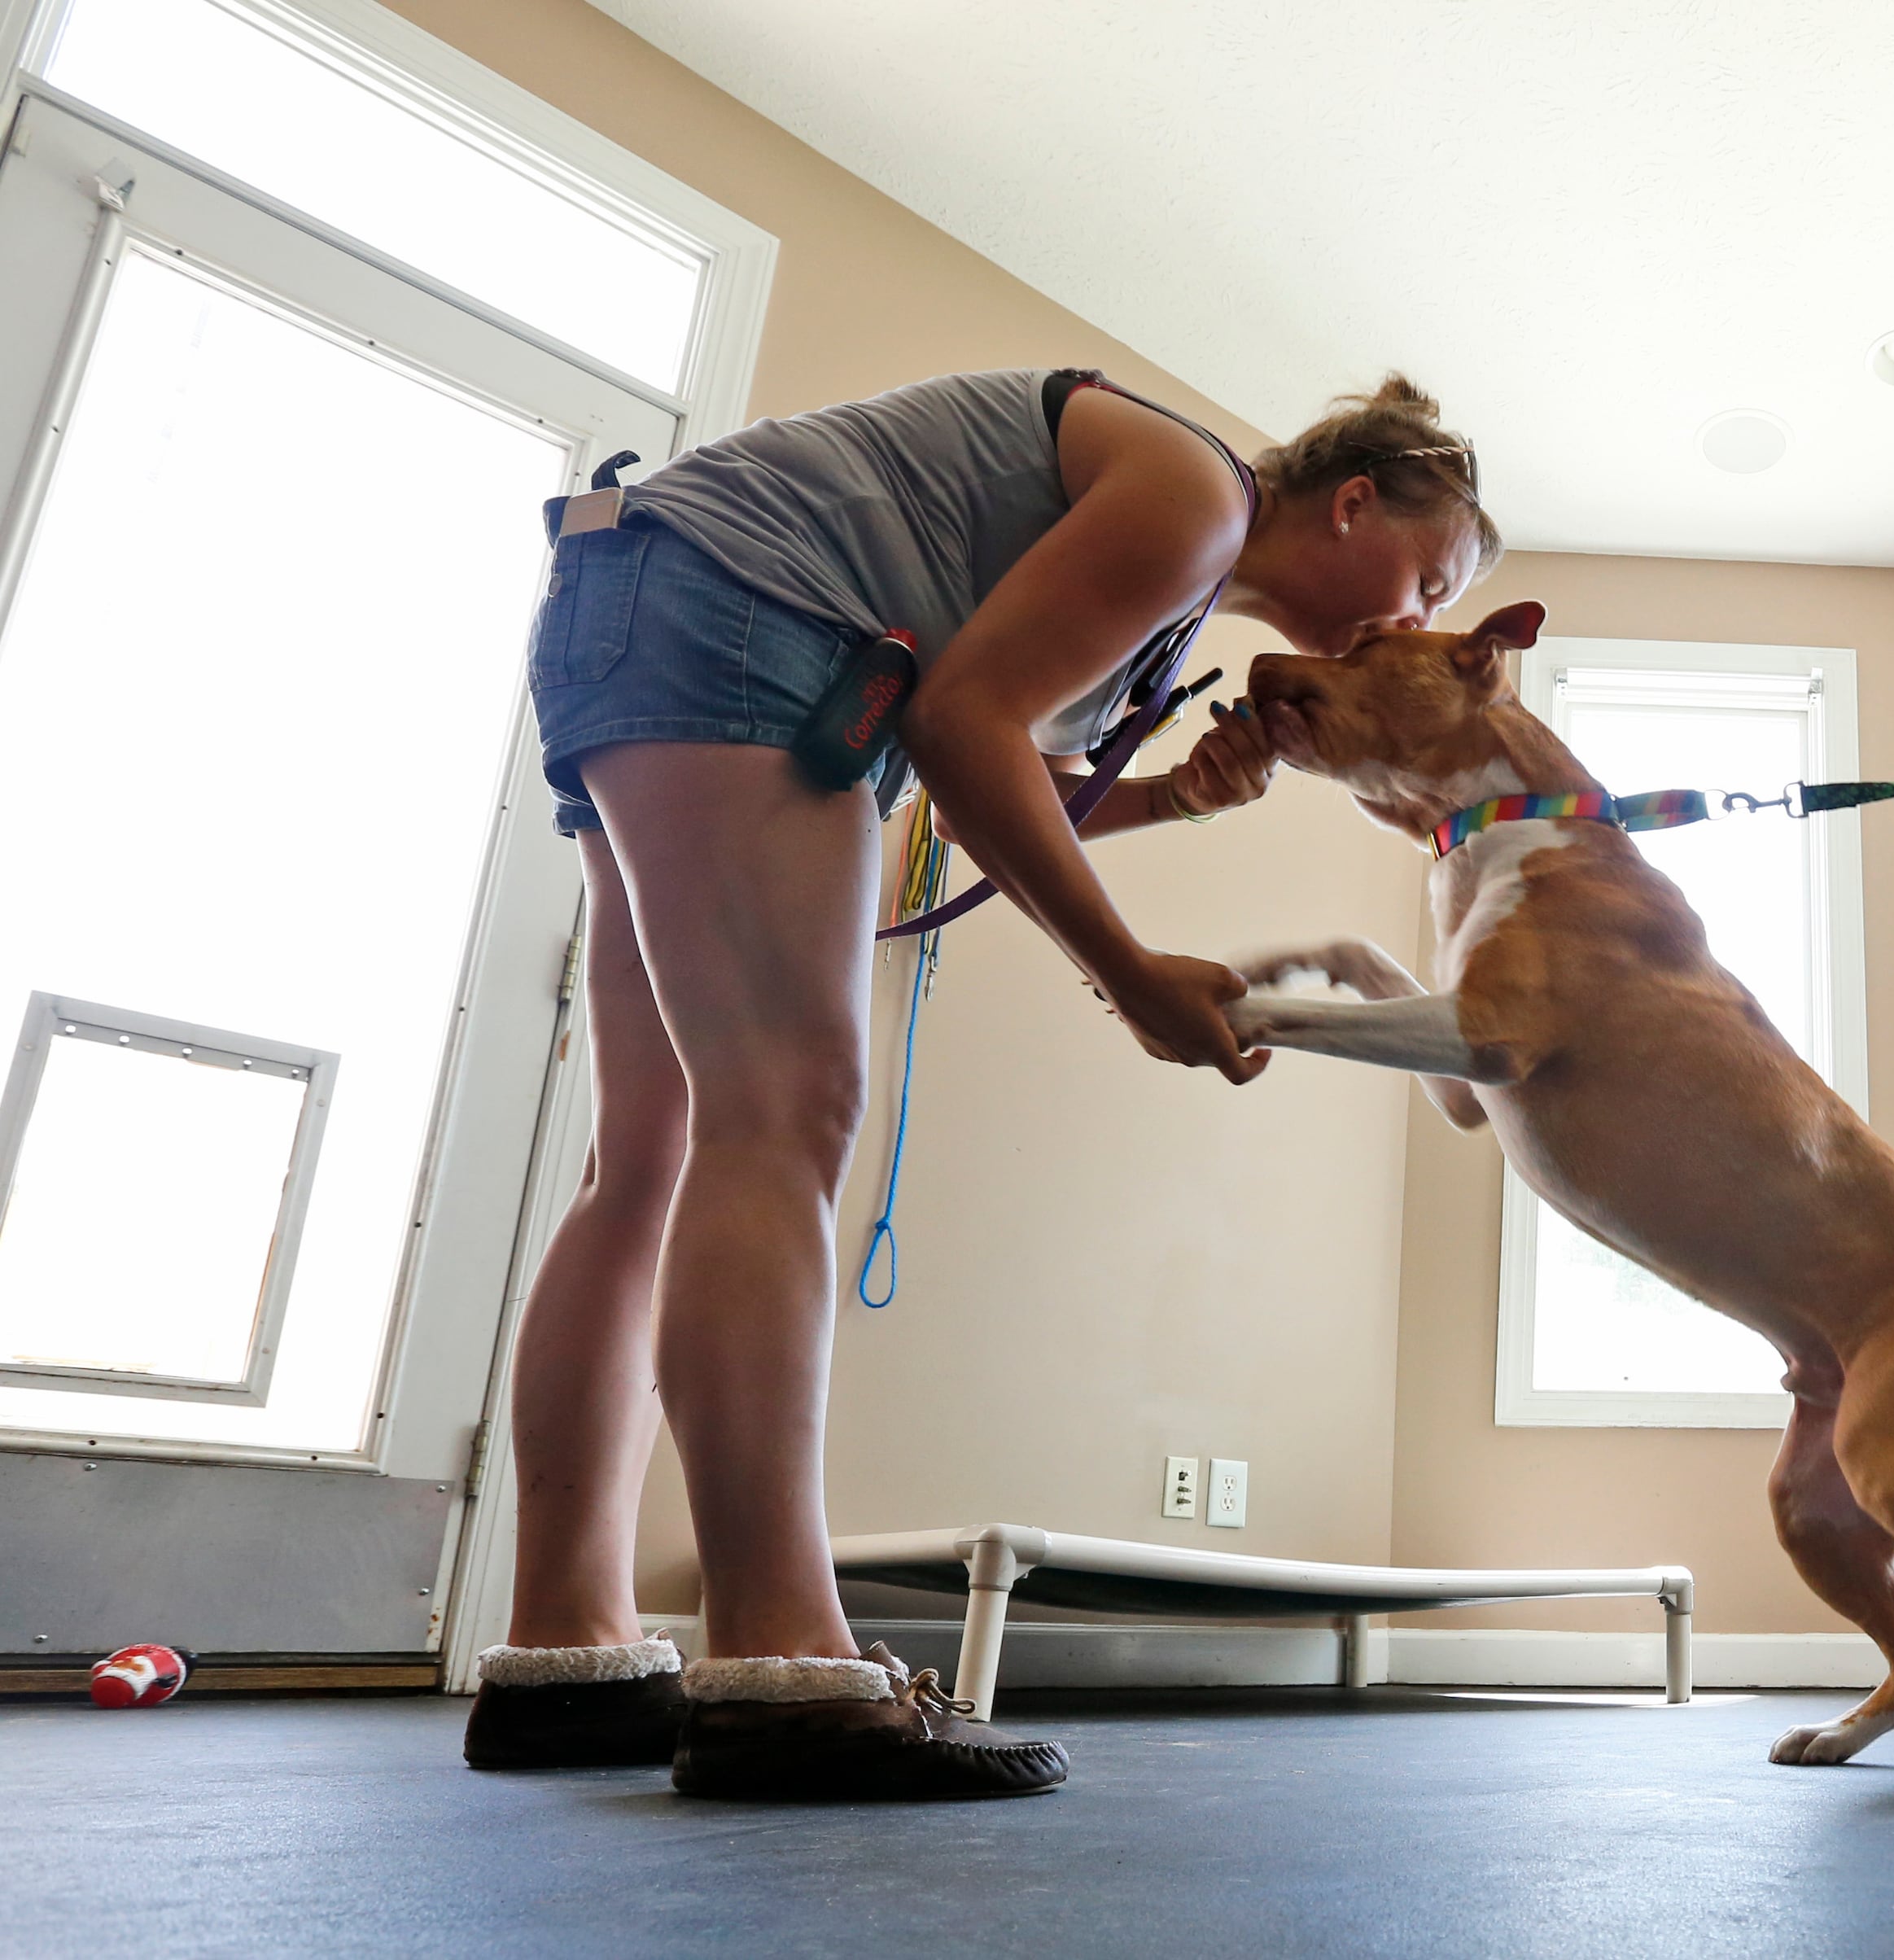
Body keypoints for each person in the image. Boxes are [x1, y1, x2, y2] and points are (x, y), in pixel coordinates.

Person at [460, 370, 1497, 1800]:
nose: (1417, 619)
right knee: (786, 1111)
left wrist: (1176, 798)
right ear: (1357, 498)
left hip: (645, 601)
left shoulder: (1166, 614)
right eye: (1429, 575)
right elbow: (956, 734)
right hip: (743, 606)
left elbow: (993, 776)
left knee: (652, 1149)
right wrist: (1130, 972)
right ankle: (782, 1662)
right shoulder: (1198, 500)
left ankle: (563, 1660)